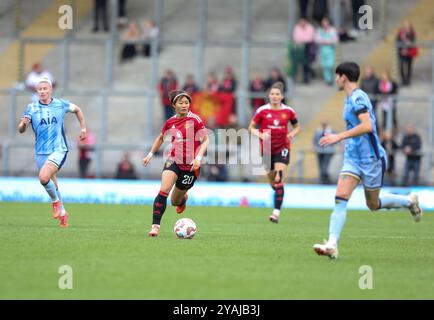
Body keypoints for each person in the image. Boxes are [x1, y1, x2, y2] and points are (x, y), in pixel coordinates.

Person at [313, 62, 423, 259]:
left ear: (343, 77)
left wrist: (339, 136)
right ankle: (332, 243)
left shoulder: (358, 97)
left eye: (336, 76)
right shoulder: (348, 99)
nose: (335, 79)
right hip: (353, 159)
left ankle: (408, 201)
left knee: (373, 204)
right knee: (340, 197)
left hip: (371, 159)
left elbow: (367, 126)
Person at [18, 77, 87, 228]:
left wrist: (83, 128)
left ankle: (55, 203)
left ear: (50, 90)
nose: (42, 91)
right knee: (52, 183)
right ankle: (63, 213)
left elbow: (77, 110)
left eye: (45, 89)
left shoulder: (60, 104)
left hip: (58, 149)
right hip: (41, 152)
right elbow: (21, 130)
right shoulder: (31, 107)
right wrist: (23, 124)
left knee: (43, 177)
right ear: (37, 91)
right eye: (40, 89)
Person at [143, 90, 209, 237]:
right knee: (164, 190)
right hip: (174, 160)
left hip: (191, 167)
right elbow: (160, 138)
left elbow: (206, 140)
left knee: (174, 201)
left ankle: (182, 200)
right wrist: (150, 154)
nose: (185, 105)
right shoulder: (170, 122)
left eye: (187, 102)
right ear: (174, 105)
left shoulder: (195, 120)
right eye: (181, 102)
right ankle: (155, 227)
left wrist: (198, 158)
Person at [248, 82, 301, 223]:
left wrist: (292, 134)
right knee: (272, 178)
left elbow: (297, 126)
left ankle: (276, 213)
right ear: (268, 95)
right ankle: (276, 186)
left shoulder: (288, 111)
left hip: (283, 147)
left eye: (277, 94)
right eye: (272, 94)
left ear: (282, 96)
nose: (274, 96)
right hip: (266, 150)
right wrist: (260, 135)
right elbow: (251, 127)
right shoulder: (262, 111)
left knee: (279, 177)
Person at [315, 17, 339, 86]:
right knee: (325, 65)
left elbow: (335, 40)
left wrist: (325, 41)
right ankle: (328, 80)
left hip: (330, 50)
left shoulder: (332, 30)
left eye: (326, 22)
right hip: (323, 50)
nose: (325, 24)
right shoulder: (319, 30)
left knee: (330, 65)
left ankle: (331, 78)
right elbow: (317, 39)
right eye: (323, 22)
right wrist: (326, 41)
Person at [396, 21, 417, 86]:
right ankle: (403, 79)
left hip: (409, 53)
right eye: (405, 26)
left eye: (408, 26)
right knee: (401, 66)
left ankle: (408, 80)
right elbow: (397, 41)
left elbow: (413, 43)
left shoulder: (412, 34)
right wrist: (401, 49)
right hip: (401, 53)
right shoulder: (401, 33)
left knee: (409, 67)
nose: (406, 28)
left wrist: (409, 44)